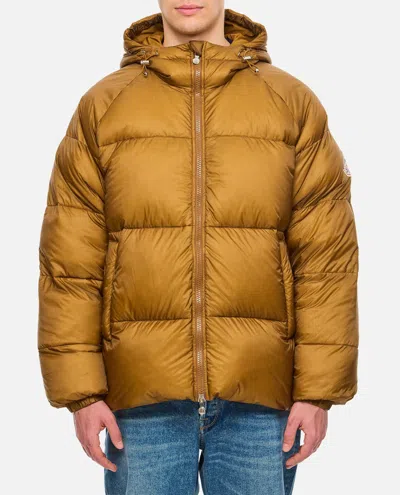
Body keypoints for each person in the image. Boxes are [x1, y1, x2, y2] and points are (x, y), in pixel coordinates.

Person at [37, 1, 359, 494]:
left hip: (262, 400)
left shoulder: (290, 103)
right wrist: (81, 392)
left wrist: (318, 391)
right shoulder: (104, 106)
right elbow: (70, 262)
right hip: (140, 401)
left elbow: (326, 259)